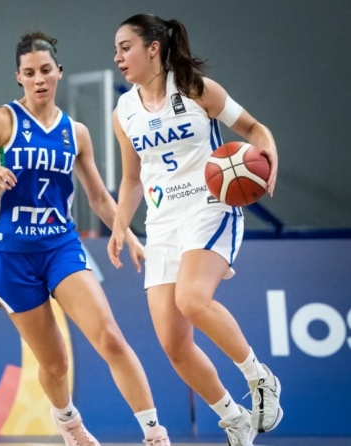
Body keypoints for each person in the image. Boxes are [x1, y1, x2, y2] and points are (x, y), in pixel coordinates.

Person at [0, 32, 170, 446]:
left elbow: (99, 198)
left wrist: (128, 234)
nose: (39, 79)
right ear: (19, 77)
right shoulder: (1, 121)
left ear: (59, 72)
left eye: (46, 70)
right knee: (55, 365)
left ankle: (154, 435)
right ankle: (69, 424)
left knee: (110, 336)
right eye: (29, 72)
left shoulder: (77, 133)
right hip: (10, 255)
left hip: (60, 246)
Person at [108, 14, 283, 446]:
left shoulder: (195, 88)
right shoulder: (124, 112)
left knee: (191, 299)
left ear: (153, 48)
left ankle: (260, 378)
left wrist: (268, 154)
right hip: (162, 222)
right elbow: (131, 178)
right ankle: (233, 417)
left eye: (125, 47)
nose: (118, 57)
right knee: (173, 343)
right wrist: (119, 226)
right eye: (116, 50)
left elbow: (253, 128)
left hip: (209, 206)